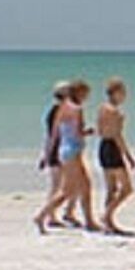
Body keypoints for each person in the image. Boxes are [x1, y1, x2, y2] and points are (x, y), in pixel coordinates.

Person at [34, 79, 99, 234]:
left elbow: (54, 134)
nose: (87, 97)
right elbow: (77, 132)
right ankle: (41, 215)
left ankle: (89, 221)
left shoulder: (60, 109)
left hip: (63, 150)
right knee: (69, 190)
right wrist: (89, 132)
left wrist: (48, 153)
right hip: (73, 150)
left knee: (83, 186)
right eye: (86, 94)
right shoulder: (76, 109)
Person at [96, 76, 135, 234]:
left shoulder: (102, 108)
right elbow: (117, 135)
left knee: (111, 189)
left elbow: (100, 130)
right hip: (112, 148)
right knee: (127, 189)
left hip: (102, 146)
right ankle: (106, 216)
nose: (124, 96)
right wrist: (128, 156)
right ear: (115, 93)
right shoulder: (114, 112)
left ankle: (108, 223)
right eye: (123, 92)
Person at [37, 81, 80, 228]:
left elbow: (49, 135)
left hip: (56, 150)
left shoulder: (53, 111)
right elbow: (56, 134)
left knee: (61, 185)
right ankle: (57, 214)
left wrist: (45, 153)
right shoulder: (63, 110)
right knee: (65, 185)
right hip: (62, 150)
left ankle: (59, 214)